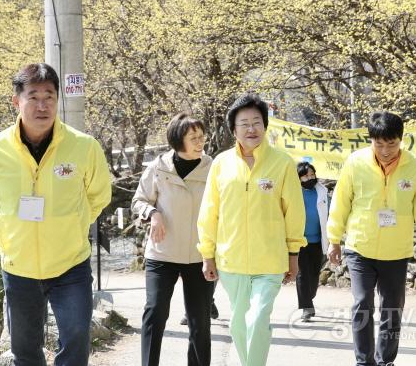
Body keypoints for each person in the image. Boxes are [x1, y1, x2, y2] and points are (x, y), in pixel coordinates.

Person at [0, 63, 111, 366]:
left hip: (70, 264)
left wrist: (71, 225)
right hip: (19, 267)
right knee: (25, 351)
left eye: (49, 96)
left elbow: (99, 194)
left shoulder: (84, 147)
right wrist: (12, 231)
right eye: (33, 96)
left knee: (75, 339)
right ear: (16, 101)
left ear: (58, 100)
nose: (42, 105)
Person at [197, 93, 307, 366]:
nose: (251, 129)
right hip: (231, 259)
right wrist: (207, 254)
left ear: (265, 126)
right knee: (237, 323)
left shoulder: (281, 163)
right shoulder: (221, 164)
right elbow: (210, 212)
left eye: (256, 122)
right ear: (233, 130)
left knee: (258, 317)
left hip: (270, 260)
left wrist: (293, 254)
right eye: (244, 123)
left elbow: (294, 212)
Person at [327, 111, 416, 366]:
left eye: (392, 144)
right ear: (371, 140)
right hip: (360, 247)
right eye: (379, 144)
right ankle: (363, 361)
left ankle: (385, 360)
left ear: (401, 140)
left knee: (392, 310)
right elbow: (340, 202)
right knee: (362, 303)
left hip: (396, 252)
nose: (386, 150)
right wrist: (334, 239)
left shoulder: (415, 167)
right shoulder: (356, 163)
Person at [132, 112, 214, 366]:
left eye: (201, 136)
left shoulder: (212, 167)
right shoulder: (158, 167)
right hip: (162, 254)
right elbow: (139, 201)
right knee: (155, 313)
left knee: (199, 320)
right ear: (179, 140)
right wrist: (153, 214)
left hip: (200, 255)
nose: (200, 141)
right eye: (194, 137)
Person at [295, 161, 329, 322]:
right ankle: (306, 308)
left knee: (314, 274)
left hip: (318, 240)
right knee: (302, 274)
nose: (310, 178)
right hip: (299, 240)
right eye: (306, 176)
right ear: (299, 178)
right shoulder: (294, 192)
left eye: (312, 174)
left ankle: (309, 296)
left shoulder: (322, 191)